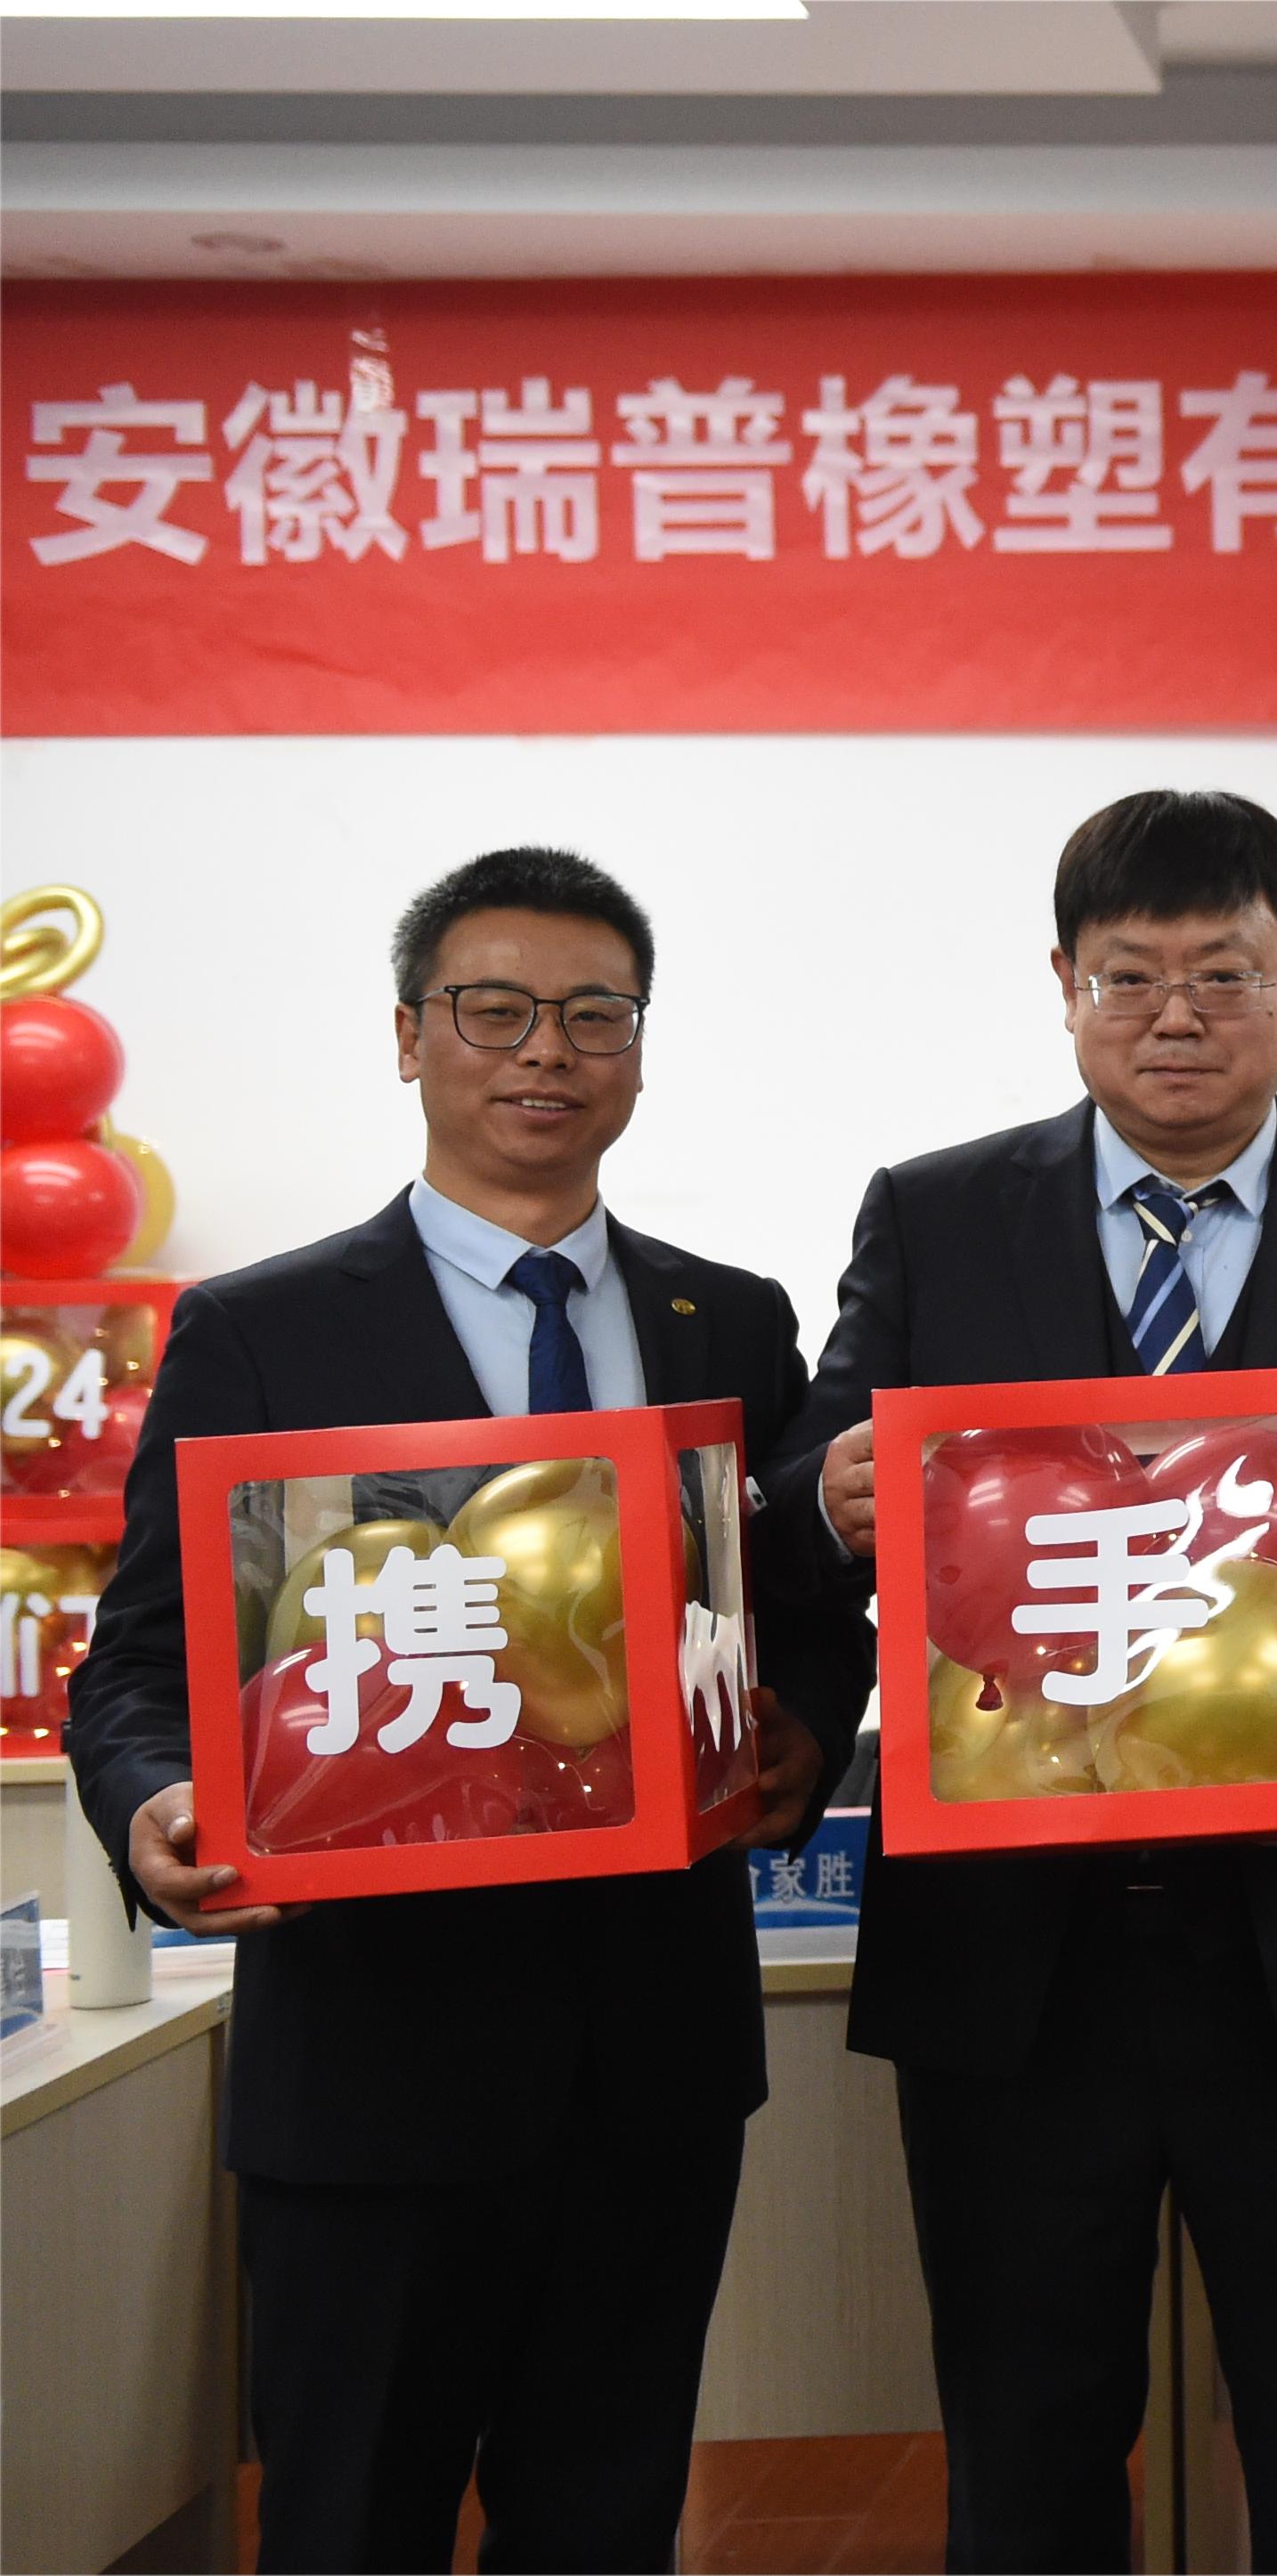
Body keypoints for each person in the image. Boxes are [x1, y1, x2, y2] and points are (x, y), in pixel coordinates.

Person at [65, 847, 862, 2572]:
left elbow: (801, 1600)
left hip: (651, 2059)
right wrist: (154, 1805)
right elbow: (139, 1661)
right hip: (372, 2061)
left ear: (639, 1047)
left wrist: (803, 1727)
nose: (545, 1050)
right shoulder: (261, 1329)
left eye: (594, 1013)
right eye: (494, 1009)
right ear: (409, 1036)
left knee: (606, 2524)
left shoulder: (727, 1318)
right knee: (352, 2525)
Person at [767, 788, 1277, 2575]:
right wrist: (829, 1495)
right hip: (1015, 1968)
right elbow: (819, 1472)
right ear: (1063, 984)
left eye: (1223, 972)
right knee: (1025, 2453)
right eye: (1130, 975)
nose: (1176, 1014)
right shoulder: (938, 1214)